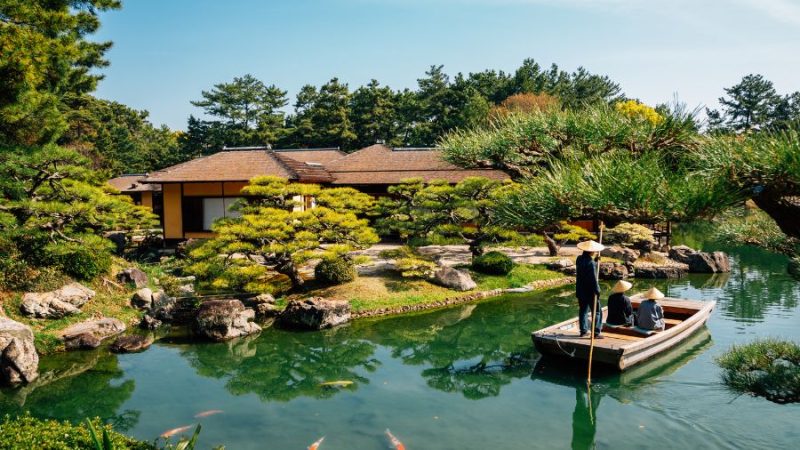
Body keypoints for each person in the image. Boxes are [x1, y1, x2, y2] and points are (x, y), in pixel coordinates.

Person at [575, 240, 605, 338]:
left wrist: (596, 261)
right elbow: (593, 279)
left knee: (583, 311)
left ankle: (583, 331)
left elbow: (585, 268)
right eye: (594, 251)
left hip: (580, 290)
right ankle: (596, 332)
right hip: (590, 292)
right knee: (596, 311)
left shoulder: (579, 259)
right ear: (591, 251)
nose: (595, 252)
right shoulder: (591, 263)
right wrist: (598, 291)